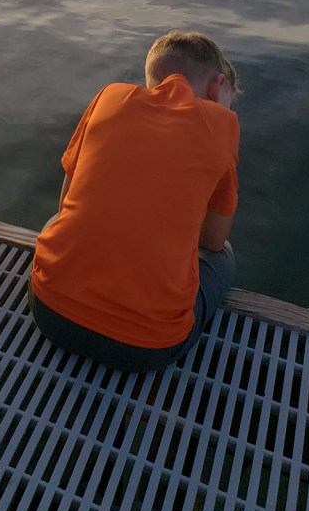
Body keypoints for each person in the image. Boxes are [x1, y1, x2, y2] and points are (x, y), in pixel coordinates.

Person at [29, 30, 240, 374]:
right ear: (217, 87)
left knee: (57, 224)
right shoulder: (223, 123)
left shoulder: (108, 96)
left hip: (49, 313)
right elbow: (212, 241)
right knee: (224, 256)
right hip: (147, 350)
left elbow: (65, 200)